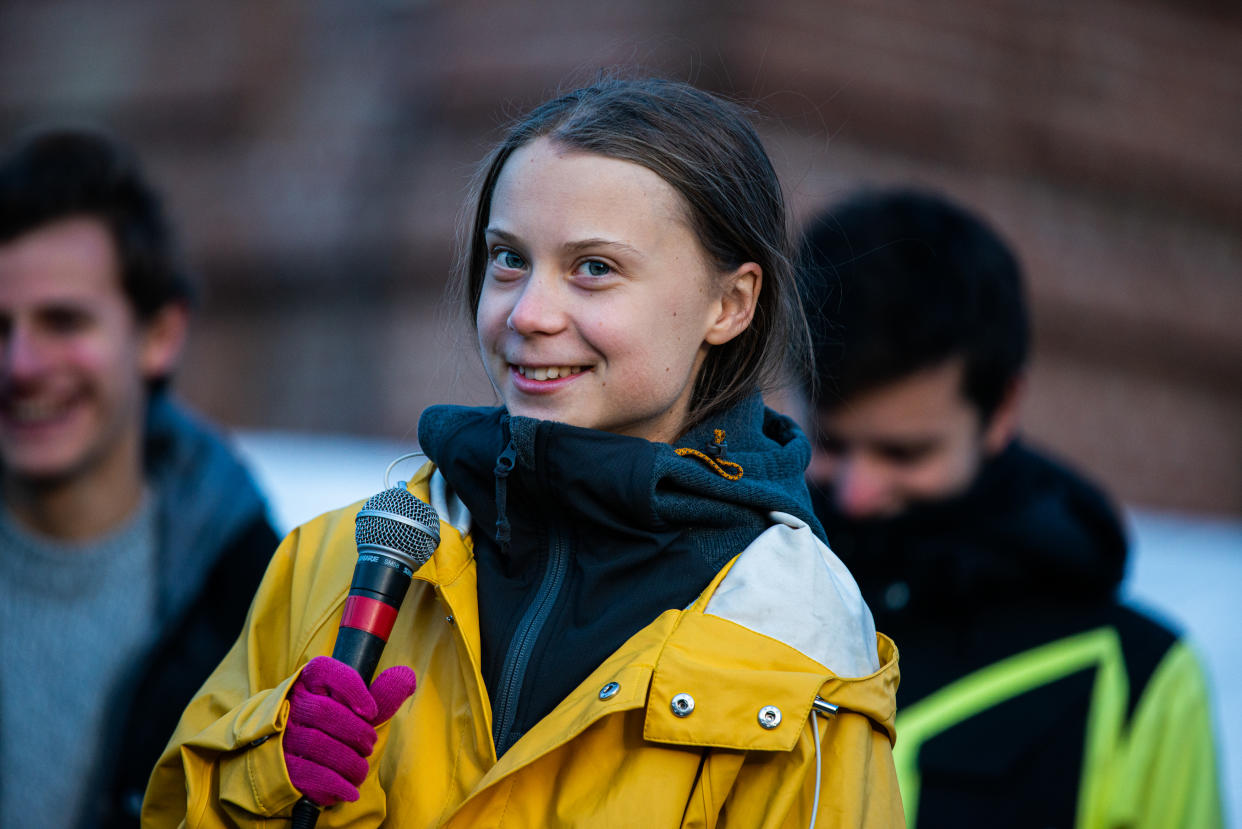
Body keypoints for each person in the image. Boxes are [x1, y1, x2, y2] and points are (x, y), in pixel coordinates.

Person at [142, 78, 904, 827]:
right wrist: (267, 772)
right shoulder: (335, 558)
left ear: (730, 303)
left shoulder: (797, 631)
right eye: (508, 259)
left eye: (594, 268)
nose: (529, 314)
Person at [798, 187, 1224, 828]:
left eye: (905, 453)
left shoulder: (1134, 675)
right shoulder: (734, 595)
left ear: (1001, 411)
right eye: (832, 443)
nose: (857, 491)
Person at [0, 127, 279, 828]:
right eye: (0, 327)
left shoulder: (256, 601)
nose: (22, 365)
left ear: (160, 335)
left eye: (63, 320)